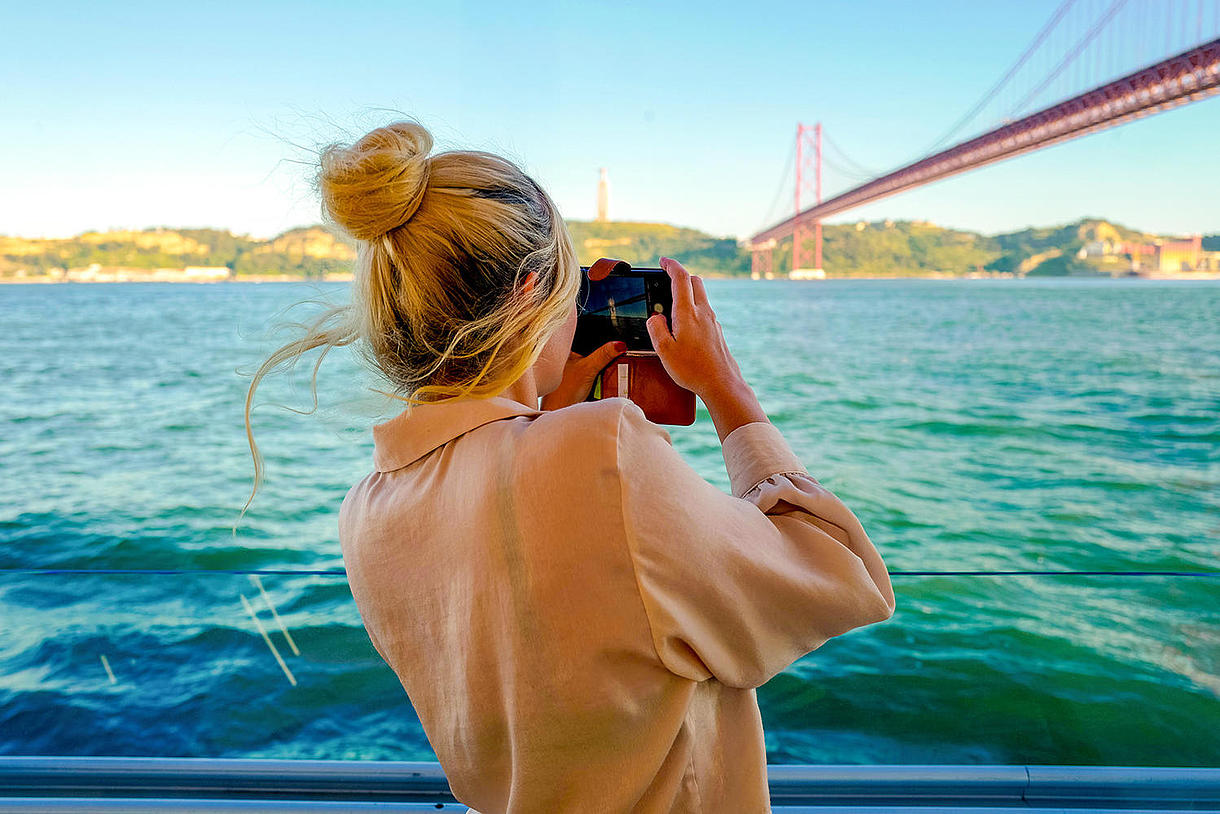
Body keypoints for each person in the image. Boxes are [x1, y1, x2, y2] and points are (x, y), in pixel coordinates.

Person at [244, 120, 895, 813]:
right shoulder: (602, 451)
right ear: (529, 293)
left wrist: (548, 416)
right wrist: (727, 391)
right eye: (568, 292)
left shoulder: (364, 514)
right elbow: (836, 574)